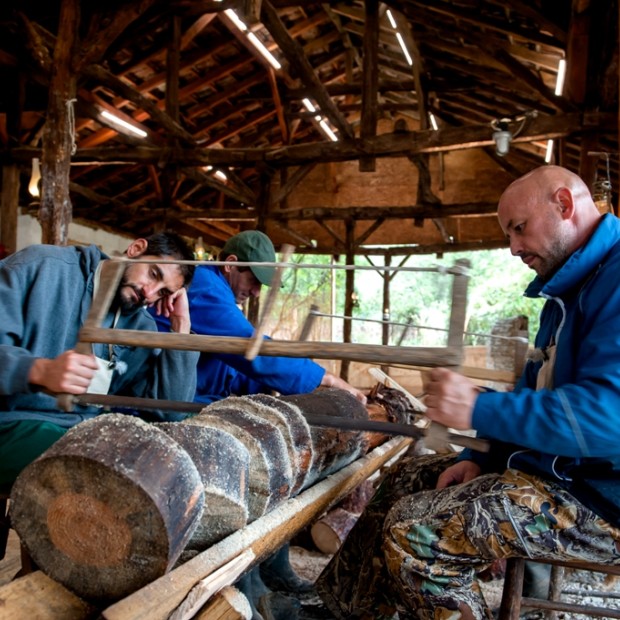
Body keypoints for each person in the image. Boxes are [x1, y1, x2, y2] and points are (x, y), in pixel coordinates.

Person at [317, 165, 620, 619]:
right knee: (405, 480)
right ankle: (342, 613)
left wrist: (478, 406)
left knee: (414, 534)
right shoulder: (567, 292)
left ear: (564, 204)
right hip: (565, 475)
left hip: (602, 498)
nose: (514, 247)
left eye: (520, 228)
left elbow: (608, 419)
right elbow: (536, 388)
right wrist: (482, 457)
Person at [0, 231, 199, 486]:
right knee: (102, 472)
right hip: (11, 423)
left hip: (82, 434)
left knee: (172, 462)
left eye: (163, 293)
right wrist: (40, 371)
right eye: (153, 274)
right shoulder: (42, 266)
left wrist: (180, 330)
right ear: (136, 249)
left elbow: (168, 411)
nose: (149, 293)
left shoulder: (140, 327)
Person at [152, 229, 366, 404]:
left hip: (194, 396)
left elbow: (230, 368)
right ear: (231, 264)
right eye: (254, 280)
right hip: (166, 399)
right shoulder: (205, 286)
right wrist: (324, 378)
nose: (256, 292)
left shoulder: (217, 289)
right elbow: (248, 347)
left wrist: (271, 389)